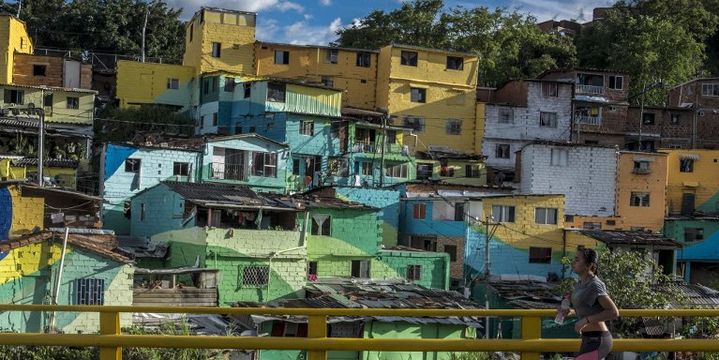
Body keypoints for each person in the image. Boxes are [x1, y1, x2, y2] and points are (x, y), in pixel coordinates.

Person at [558, 248, 620, 360]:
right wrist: (570, 312)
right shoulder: (580, 283)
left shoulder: (595, 285)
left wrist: (585, 320)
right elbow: (587, 308)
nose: (573, 262)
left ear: (589, 265)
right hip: (588, 340)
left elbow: (613, 312)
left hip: (598, 339)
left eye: (577, 259)